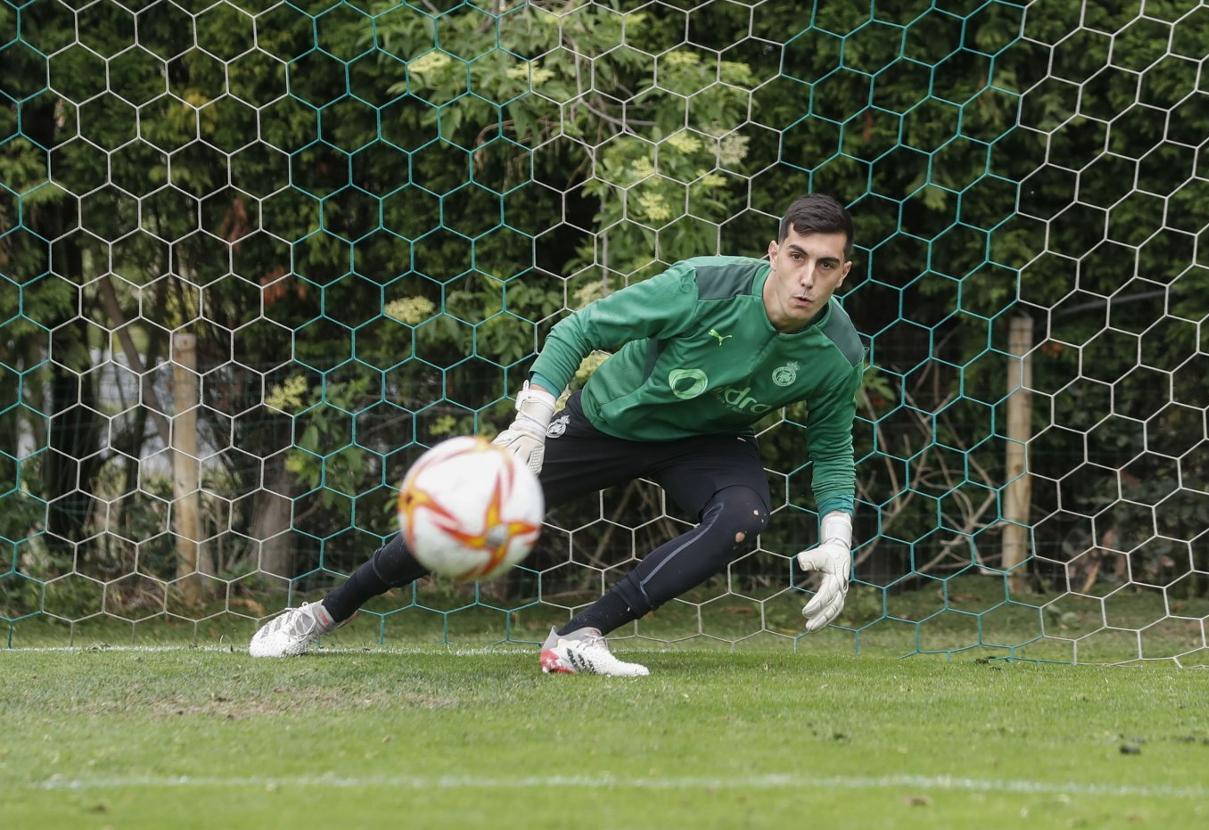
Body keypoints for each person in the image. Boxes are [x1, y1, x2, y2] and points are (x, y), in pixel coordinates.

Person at [249, 193, 864, 676]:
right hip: (611, 419)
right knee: (468, 510)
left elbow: (832, 447)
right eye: (797, 256)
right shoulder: (702, 284)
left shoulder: (837, 352)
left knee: (743, 517)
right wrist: (533, 419)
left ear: (844, 272)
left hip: (710, 441)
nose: (807, 277)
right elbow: (580, 328)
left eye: (825, 264)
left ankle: (578, 637)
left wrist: (837, 536)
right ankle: (319, 615)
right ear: (772, 253)